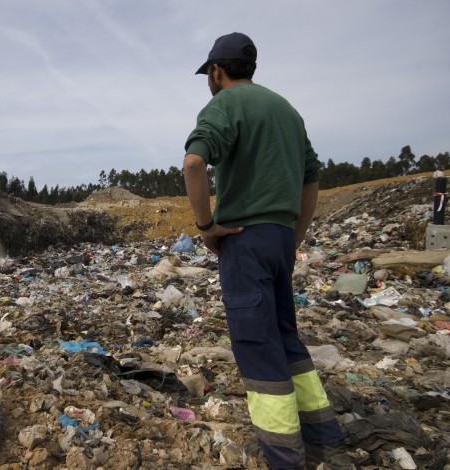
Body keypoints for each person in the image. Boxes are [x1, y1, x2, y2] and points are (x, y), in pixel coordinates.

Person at [182, 32, 353, 470]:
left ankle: (284, 457)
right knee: (285, 336)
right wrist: (295, 234)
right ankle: (325, 440)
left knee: (257, 343)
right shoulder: (286, 110)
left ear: (217, 71)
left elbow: (194, 163)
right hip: (279, 237)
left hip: (245, 239)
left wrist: (206, 226)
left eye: (209, 74)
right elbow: (311, 178)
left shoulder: (224, 105)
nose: (208, 82)